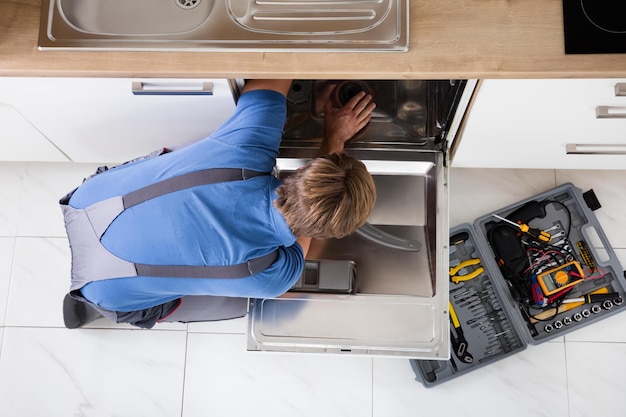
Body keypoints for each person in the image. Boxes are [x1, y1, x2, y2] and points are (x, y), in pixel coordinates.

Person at [61, 79, 377, 328]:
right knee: (234, 302)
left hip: (88, 201)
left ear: (308, 170)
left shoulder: (247, 148)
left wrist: (333, 135)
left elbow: (273, 70)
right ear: (325, 231)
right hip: (101, 287)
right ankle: (93, 305)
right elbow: (302, 239)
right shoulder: (273, 276)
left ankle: (98, 299)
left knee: (188, 157)